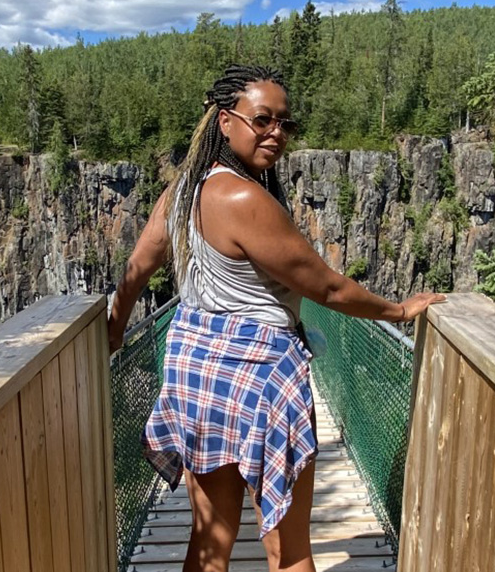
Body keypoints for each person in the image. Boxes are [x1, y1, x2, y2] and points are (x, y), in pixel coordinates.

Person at [107, 65, 445, 572]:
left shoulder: (182, 193)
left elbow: (136, 272)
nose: (276, 134)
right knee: (288, 550)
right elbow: (328, 287)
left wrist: (112, 333)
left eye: (285, 124)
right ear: (226, 121)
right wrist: (399, 310)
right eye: (262, 119)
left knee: (209, 541)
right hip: (259, 376)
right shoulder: (245, 198)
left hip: (195, 372)